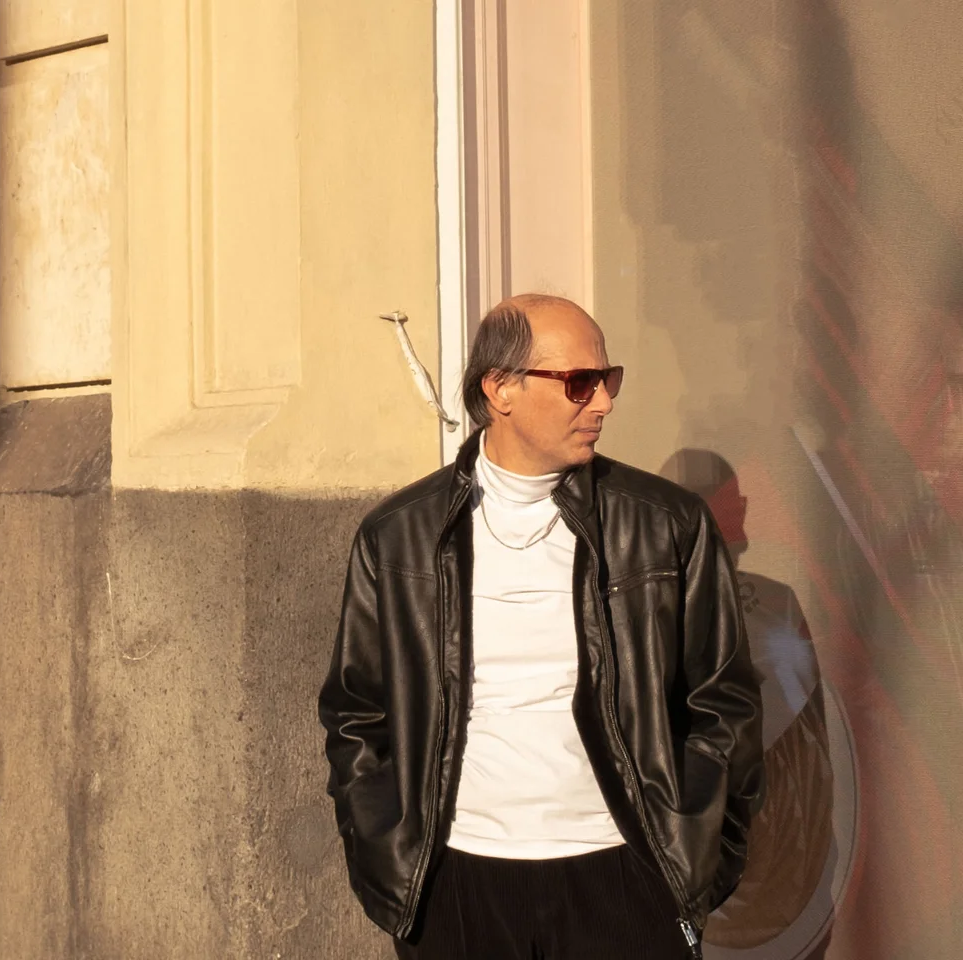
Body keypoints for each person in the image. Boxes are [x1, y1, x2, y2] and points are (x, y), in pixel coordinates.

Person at [318, 294, 765, 959]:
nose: (605, 403)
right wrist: (385, 852)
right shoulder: (399, 536)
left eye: (608, 380)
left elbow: (724, 704)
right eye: (580, 383)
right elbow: (357, 714)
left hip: (624, 875)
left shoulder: (665, 525)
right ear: (500, 388)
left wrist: (698, 859)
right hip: (457, 883)